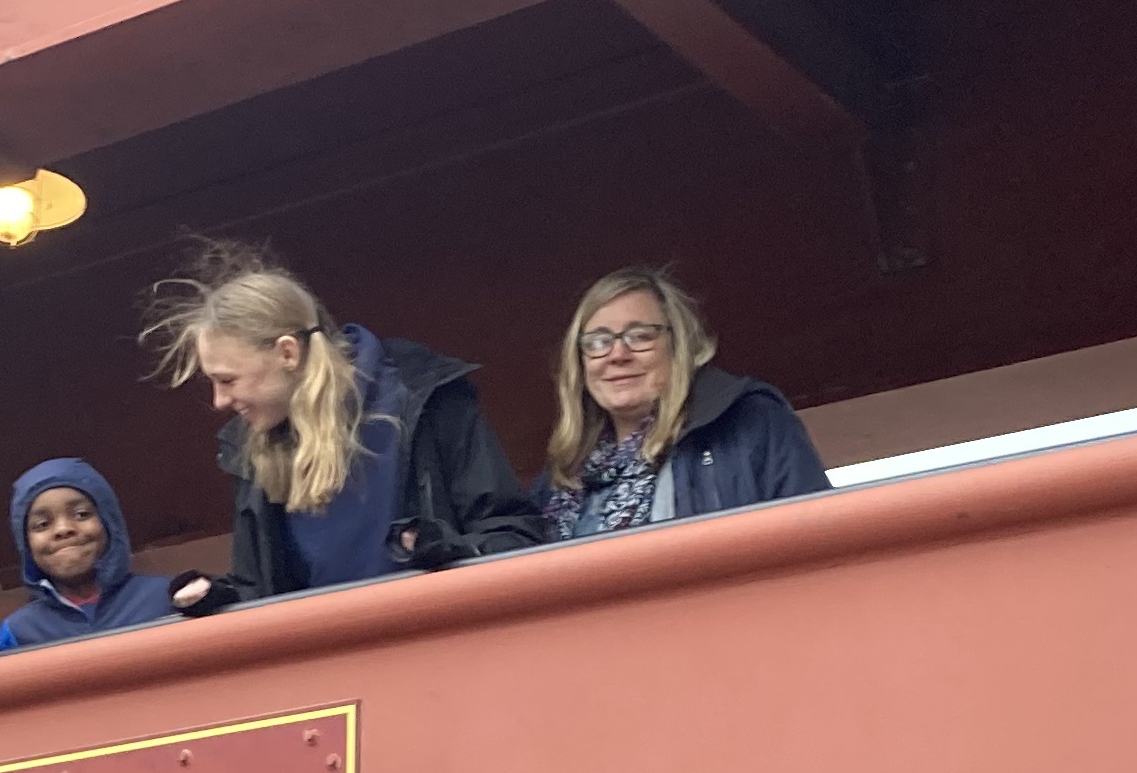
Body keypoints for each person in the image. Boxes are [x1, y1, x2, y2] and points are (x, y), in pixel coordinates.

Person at [141, 244, 548, 612]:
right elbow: (260, 590)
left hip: (445, 644)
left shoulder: (426, 398)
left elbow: (513, 534)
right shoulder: (249, 449)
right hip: (332, 664)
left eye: (228, 380)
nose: (219, 401)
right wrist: (218, 598)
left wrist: (446, 550)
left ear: (287, 353)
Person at [536, 266, 829, 538]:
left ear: (679, 346)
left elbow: (817, 539)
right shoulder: (557, 481)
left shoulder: (752, 424)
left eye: (640, 336)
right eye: (598, 342)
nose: (618, 355)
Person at [0, 458, 177, 650]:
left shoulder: (167, 595)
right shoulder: (18, 632)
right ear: (26, 543)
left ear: (109, 522)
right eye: (42, 524)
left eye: (81, 514)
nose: (63, 529)